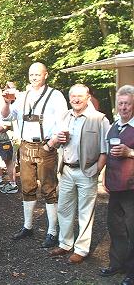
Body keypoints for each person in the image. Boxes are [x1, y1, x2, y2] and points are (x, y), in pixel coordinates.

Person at [1, 62, 68, 248]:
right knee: (27, 187)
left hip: (45, 146)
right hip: (25, 146)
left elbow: (63, 123)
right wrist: (6, 102)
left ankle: (52, 231)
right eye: (31, 74)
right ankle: (27, 226)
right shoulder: (22, 96)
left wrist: (51, 144)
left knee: (48, 189)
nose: (34, 77)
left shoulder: (56, 96)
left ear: (46, 75)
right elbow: (7, 117)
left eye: (37, 74)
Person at [48, 84, 109, 264]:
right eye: (73, 96)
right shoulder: (65, 116)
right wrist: (56, 140)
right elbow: (54, 141)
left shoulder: (99, 119)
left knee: (85, 212)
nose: (76, 99)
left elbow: (105, 151)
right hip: (66, 170)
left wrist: (96, 170)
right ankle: (65, 243)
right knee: (64, 209)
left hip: (87, 171)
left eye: (80, 96)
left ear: (88, 97)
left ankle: (81, 249)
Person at [100, 85, 134, 285]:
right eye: (121, 103)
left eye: (127, 104)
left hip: (132, 188)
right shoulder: (114, 126)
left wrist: (129, 152)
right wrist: (104, 175)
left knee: (133, 230)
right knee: (116, 227)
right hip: (115, 186)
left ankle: (132, 271)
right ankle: (117, 263)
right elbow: (107, 155)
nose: (123, 107)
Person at [0, 88, 18, 193]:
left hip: (6, 139)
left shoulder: (6, 107)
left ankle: (13, 184)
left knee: (8, 161)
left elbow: (6, 125)